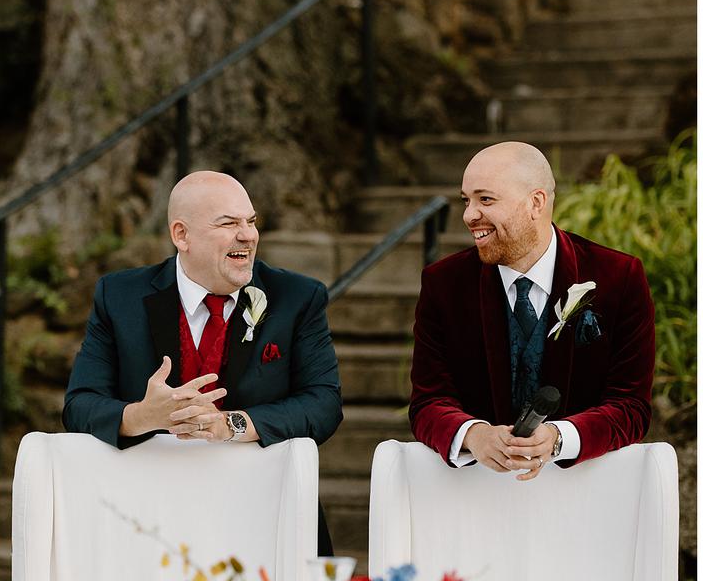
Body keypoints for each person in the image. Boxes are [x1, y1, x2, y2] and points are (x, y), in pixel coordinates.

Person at [63, 170, 344, 553]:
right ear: (182, 235)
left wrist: (231, 424)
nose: (247, 235)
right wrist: (143, 416)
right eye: (228, 223)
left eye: (251, 221)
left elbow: (323, 404)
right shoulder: (119, 296)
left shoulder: (297, 297)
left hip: (264, 518)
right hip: (148, 525)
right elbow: (79, 405)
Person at [409, 141, 654, 479]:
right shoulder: (443, 284)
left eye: (486, 199)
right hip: (476, 498)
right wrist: (474, 435)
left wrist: (558, 439)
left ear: (535, 203)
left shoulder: (617, 277)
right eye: (466, 200)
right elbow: (427, 402)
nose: (468, 215)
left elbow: (632, 406)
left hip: (583, 495)